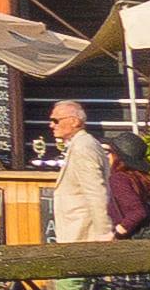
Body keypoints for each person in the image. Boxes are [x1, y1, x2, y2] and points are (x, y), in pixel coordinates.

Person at [48, 98, 118, 249]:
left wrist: (104, 232)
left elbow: (96, 191)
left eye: (55, 120)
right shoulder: (81, 144)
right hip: (79, 231)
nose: (51, 125)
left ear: (74, 121)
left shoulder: (83, 147)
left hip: (84, 233)